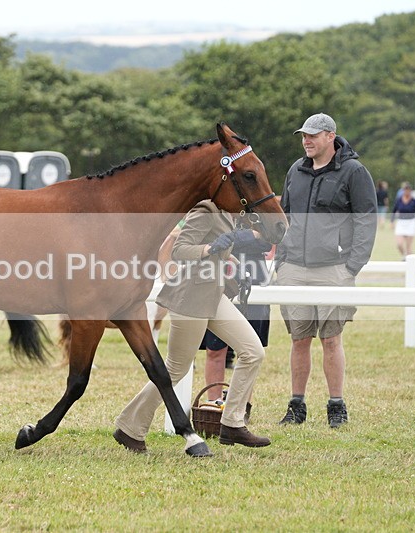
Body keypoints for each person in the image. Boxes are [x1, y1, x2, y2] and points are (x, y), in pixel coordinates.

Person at [113, 200, 271, 455]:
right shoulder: (205, 211)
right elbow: (180, 250)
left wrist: (232, 262)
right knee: (175, 369)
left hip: (213, 293)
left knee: (253, 351)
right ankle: (129, 427)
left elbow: (218, 247)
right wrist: (211, 248)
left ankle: (232, 423)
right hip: (191, 297)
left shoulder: (226, 214)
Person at [276, 113, 377, 428]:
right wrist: (281, 259)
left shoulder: (354, 172)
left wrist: (351, 267)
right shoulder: (296, 170)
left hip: (334, 269)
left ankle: (336, 406)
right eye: (303, 136)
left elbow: (366, 220)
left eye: (312, 135)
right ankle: (296, 406)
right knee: (298, 339)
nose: (306, 140)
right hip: (293, 267)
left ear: (330, 136)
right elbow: (285, 217)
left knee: (331, 338)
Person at [199, 227, 272, 410]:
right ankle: (214, 406)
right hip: (217, 273)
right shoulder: (214, 203)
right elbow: (207, 237)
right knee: (215, 349)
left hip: (254, 276)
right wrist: (250, 236)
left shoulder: (259, 203)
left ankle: (241, 408)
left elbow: (269, 238)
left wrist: (229, 239)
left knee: (249, 350)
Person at [391, 182, 415, 259]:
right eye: (405, 190)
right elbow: (394, 211)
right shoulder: (399, 200)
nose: (407, 192)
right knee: (399, 244)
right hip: (401, 222)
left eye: (408, 190)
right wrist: (392, 221)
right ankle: (404, 256)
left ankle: (410, 261)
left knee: (408, 246)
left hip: (411, 222)